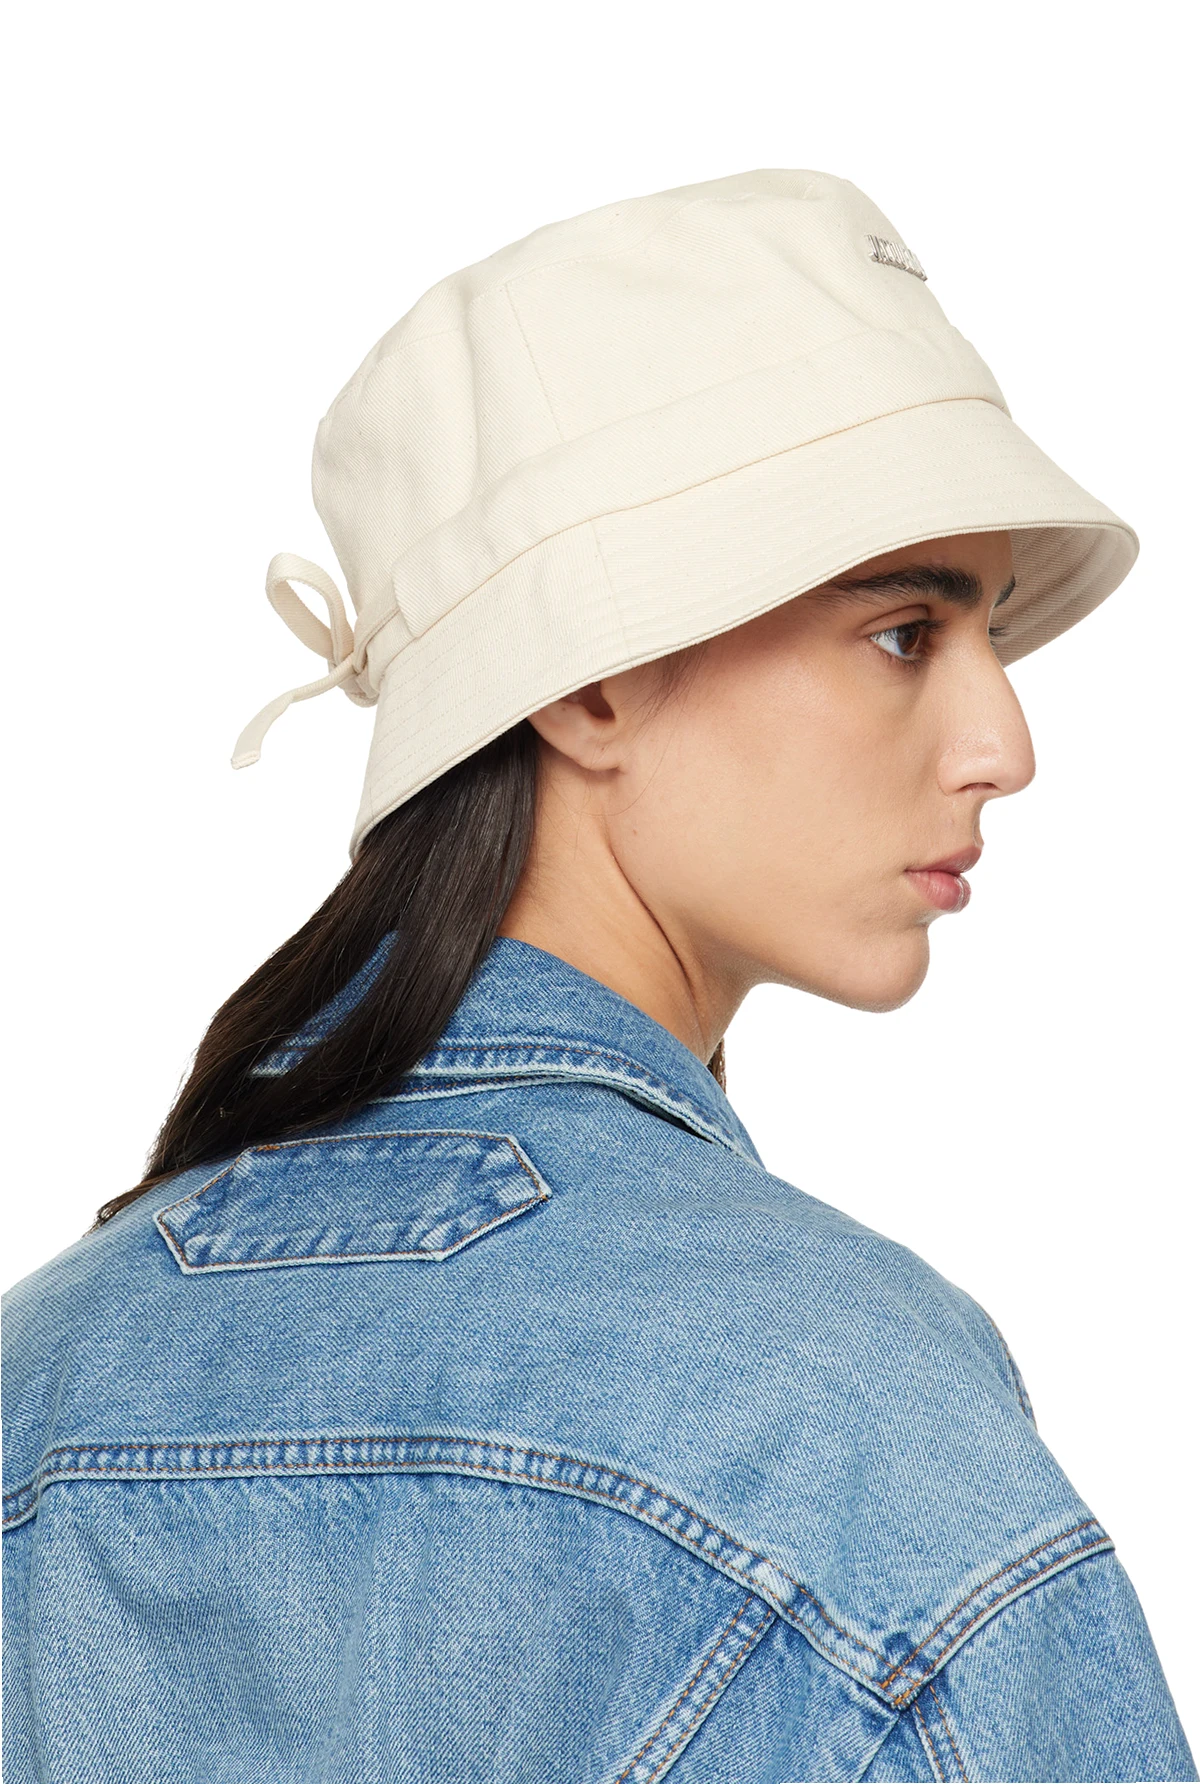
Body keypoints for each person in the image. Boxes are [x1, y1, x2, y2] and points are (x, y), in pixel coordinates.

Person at [3, 170, 1193, 1784]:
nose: (1005, 744)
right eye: (906, 632)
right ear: (591, 684)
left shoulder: (40, 1378)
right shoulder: (839, 1419)